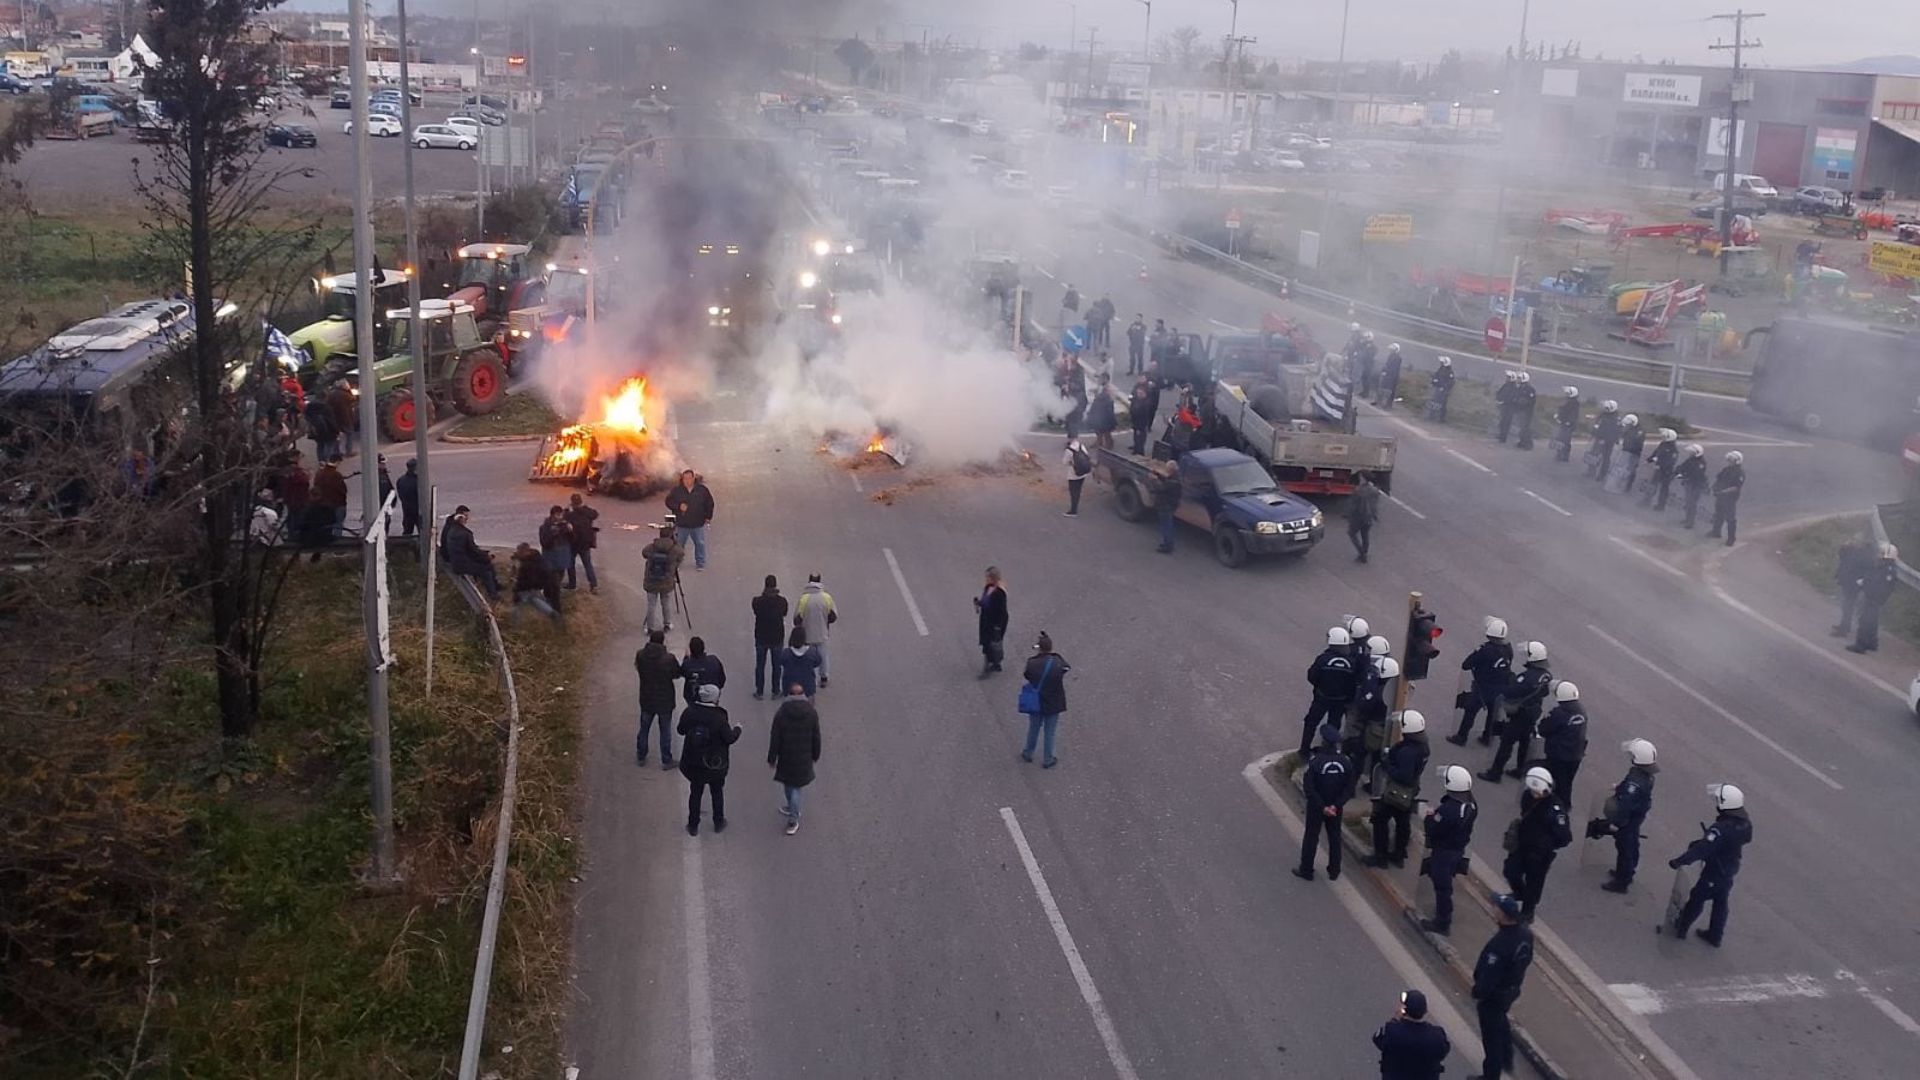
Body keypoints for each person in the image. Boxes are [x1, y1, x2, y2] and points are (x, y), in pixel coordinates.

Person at [1666, 782, 1753, 947]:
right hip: (1730, 867)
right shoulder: (1745, 823)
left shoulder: (1721, 829)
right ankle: (1715, 935)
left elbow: (1703, 849)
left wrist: (1680, 861)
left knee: (1697, 898)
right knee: (1721, 901)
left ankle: (1681, 928)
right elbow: (1745, 839)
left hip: (1715, 870)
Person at [1472, 893, 1535, 1080]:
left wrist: (1479, 991)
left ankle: (1491, 1074)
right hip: (1512, 989)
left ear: (1503, 915)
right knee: (1500, 1019)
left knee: (1491, 1038)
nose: (1493, 908)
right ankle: (1507, 1056)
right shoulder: (1525, 934)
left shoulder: (1500, 945)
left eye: (1496, 907)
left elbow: (1490, 975)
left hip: (1495, 994)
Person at [1502, 767, 1573, 921]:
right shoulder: (1527, 796)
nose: (1535, 795)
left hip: (1540, 853)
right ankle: (1520, 892)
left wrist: (1546, 845)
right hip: (1523, 844)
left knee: (1534, 882)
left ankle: (1528, 911)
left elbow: (1564, 836)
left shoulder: (1555, 808)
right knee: (1510, 870)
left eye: (1538, 792)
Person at [1364, 710, 1431, 869]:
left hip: (1397, 792)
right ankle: (1399, 854)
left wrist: (1387, 764)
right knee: (1403, 822)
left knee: (1379, 819)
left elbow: (1403, 775)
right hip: (1411, 791)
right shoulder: (1423, 746)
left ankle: (1380, 857)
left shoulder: (1408, 751)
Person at [1419, 765, 1479, 936]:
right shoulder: (1471, 805)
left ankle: (1442, 922)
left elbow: (1433, 828)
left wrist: (1430, 816)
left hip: (1445, 850)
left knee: (1442, 885)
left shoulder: (1448, 810)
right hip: (1457, 848)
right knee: (1435, 871)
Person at [678, 683, 741, 836]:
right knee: (717, 792)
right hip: (714, 763)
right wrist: (738, 729)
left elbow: (680, 730)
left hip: (694, 762)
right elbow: (729, 738)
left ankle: (693, 825)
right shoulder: (719, 717)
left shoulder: (690, 712)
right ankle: (718, 822)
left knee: (695, 793)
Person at [1294, 724, 1355, 881]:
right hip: (1336, 808)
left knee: (1311, 837)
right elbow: (1349, 789)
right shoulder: (1346, 763)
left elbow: (1309, 787)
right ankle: (1334, 870)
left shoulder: (1316, 762)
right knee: (1334, 837)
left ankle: (1306, 870)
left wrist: (1322, 807)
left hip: (1317, 807)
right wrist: (1336, 805)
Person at [1596, 739, 1658, 893]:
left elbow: (1625, 804)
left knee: (1625, 848)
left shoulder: (1635, 782)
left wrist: (1616, 822)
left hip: (1628, 819)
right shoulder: (1645, 774)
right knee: (1631, 845)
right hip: (1636, 816)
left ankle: (1622, 882)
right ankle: (1626, 872)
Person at [1484, 640, 1550, 781]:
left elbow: (1511, 692)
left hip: (1520, 714)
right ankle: (1521, 769)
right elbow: (1545, 692)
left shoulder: (1527, 677)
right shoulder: (1545, 675)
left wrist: (1511, 681)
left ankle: (1495, 773)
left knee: (1506, 743)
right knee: (1525, 742)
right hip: (1533, 713)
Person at [1448, 617, 1512, 746]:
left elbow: (1466, 664)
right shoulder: (1508, 649)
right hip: (1501, 687)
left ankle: (1461, 737)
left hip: (1483, 687)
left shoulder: (1485, 650)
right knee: (1492, 714)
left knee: (1470, 711)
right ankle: (1487, 737)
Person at [768, 683, 822, 835]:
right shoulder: (811, 713)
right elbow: (816, 736)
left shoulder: (781, 713)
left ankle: (793, 817)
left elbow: (775, 738)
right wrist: (815, 754)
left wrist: (772, 758)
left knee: (789, 784)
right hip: (803, 756)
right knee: (796, 786)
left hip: (786, 755)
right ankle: (793, 809)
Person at [1301, 627, 1360, 755]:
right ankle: (1328, 752)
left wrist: (1321, 687)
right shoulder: (1351, 662)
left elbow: (1312, 676)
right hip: (1340, 701)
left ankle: (1304, 751)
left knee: (1311, 723)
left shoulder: (1323, 659)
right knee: (1334, 726)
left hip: (1322, 698)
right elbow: (1353, 684)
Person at [1371, 988, 1450, 1080]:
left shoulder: (1392, 1031)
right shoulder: (1437, 1036)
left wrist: (1395, 1019)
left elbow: (1377, 1039)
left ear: (1404, 1010)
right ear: (1425, 1011)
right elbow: (1443, 1051)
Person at [1019, 632, 1070, 767]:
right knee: (1050, 731)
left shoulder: (1032, 663)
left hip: (1036, 701)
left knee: (1034, 728)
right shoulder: (1058, 662)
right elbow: (1066, 667)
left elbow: (1027, 675)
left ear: (1039, 648)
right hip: (1054, 702)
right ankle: (1048, 759)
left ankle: (1028, 753)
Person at [634, 629, 682, 768]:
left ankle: (641, 754)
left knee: (644, 728)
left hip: (646, 697)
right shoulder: (668, 659)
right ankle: (666, 759)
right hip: (664, 700)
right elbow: (677, 674)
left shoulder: (641, 655)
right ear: (662, 642)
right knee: (665, 730)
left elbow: (638, 668)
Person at [1536, 680, 1589, 803]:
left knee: (1554, 780)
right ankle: (1565, 804)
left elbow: (1544, 729)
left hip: (1559, 754)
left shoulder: (1559, 713)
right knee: (1567, 783)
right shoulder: (1581, 710)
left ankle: (1552, 806)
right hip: (1576, 753)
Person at [1847, 543, 1901, 653]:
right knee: (1872, 621)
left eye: (1881, 553)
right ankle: (1872, 643)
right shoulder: (1885, 567)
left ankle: (1860, 645)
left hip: (1874, 598)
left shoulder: (1886, 569)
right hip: (1875, 598)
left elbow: (1878, 585)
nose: (1879, 554)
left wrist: (1865, 586)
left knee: (1865, 621)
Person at [440, 505, 500, 598]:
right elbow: (472, 551)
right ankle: (493, 594)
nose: (467, 519)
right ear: (461, 518)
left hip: (455, 557)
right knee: (486, 568)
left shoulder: (450, 527)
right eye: (466, 517)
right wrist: (485, 556)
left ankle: (494, 586)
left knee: (484, 562)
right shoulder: (464, 533)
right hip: (458, 561)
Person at [664, 469, 715, 569]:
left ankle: (700, 562)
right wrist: (678, 506)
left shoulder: (702, 490)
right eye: (685, 479)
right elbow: (668, 502)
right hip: (682, 524)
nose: (687, 481)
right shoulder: (677, 491)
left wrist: (708, 517)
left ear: (693, 478)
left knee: (700, 543)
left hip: (697, 523)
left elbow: (709, 503)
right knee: (679, 545)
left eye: (689, 478)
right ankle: (677, 562)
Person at [796, 573, 837, 687]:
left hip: (808, 634)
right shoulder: (826, 597)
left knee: (809, 657)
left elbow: (797, 618)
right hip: (822, 633)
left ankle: (810, 678)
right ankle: (824, 677)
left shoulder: (804, 598)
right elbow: (833, 616)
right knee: (823, 656)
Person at [640, 525, 684, 633]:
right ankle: (667, 624)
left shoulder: (652, 547)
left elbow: (644, 553)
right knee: (666, 603)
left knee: (651, 604)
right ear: (671, 536)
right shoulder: (674, 549)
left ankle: (650, 627)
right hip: (666, 580)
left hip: (651, 580)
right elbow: (681, 555)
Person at [751, 574, 789, 698]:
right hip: (777, 637)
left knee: (760, 665)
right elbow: (784, 613)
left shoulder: (757, 601)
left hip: (761, 636)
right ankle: (776, 690)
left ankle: (760, 691)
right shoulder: (782, 601)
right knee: (777, 665)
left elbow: (756, 611)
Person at [1831, 534, 1876, 638]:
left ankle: (1844, 628)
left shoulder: (1867, 554)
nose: (1855, 541)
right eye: (1854, 539)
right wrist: (1844, 546)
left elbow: (1869, 570)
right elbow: (1842, 556)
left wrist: (1861, 581)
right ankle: (1844, 625)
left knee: (1848, 605)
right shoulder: (1852, 550)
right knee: (1846, 605)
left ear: (1863, 542)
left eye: (1857, 540)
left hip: (1854, 584)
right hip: (1847, 581)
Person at [509, 542, 562, 624]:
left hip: (526, 587)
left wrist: (516, 591)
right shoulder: (537, 558)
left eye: (520, 552)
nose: (519, 554)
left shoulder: (527, 565)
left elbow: (522, 581)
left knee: (516, 605)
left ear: (525, 552)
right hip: (539, 586)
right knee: (535, 600)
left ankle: (515, 624)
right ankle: (552, 613)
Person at [975, 566, 1009, 677]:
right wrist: (979, 603)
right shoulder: (988, 587)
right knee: (992, 643)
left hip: (994, 623)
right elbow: (986, 602)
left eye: (988, 577)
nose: (986, 579)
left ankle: (988, 667)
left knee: (990, 644)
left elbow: (1002, 611)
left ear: (993, 578)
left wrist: (998, 626)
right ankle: (996, 663)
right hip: (986, 620)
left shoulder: (1000, 593)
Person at [1706, 450, 1744, 546]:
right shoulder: (1726, 469)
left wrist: (1723, 492)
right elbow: (1719, 479)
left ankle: (1731, 538)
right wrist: (1714, 488)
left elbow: (1736, 487)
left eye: (1731, 460)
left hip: (1730, 498)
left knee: (1730, 518)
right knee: (1718, 514)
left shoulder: (1739, 473)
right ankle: (1716, 532)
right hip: (1720, 496)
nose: (1729, 461)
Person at [564, 493, 600, 592]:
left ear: (572, 502)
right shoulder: (587, 512)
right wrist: (584, 508)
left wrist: (568, 509)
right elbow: (595, 514)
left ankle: (572, 584)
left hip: (573, 543)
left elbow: (563, 518)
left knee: (570, 564)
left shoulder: (570, 514)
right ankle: (593, 585)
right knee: (588, 564)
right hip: (586, 543)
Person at [777, 624, 821, 698]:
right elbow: (818, 661)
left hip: (789, 687)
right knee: (808, 708)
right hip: (808, 688)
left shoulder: (786, 653)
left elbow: (781, 661)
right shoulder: (812, 652)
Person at [680, 636, 726, 705]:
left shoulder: (687, 664)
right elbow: (722, 679)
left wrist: (686, 658)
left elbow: (682, 672)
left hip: (693, 698)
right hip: (712, 697)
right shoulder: (714, 660)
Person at [312, 455, 349, 540]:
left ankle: (326, 540)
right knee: (338, 524)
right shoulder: (336, 474)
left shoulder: (320, 473)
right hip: (337, 503)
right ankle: (337, 542)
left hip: (323, 503)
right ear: (338, 462)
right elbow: (342, 490)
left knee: (326, 524)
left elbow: (316, 487)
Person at [1348, 473, 1381, 563]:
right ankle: (1365, 552)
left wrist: (1348, 515)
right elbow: (1375, 505)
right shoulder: (1374, 490)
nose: (1360, 479)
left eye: (1361, 477)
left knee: (1352, 533)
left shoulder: (1358, 490)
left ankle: (1362, 553)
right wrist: (1375, 515)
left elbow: (1353, 505)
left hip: (1359, 516)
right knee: (1365, 535)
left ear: (1364, 479)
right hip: (1369, 517)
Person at [1642, 429, 1680, 509]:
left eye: (1665, 436)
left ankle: (1661, 505)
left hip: (1666, 471)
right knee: (1653, 485)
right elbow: (1656, 453)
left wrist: (1660, 465)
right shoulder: (1663, 444)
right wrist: (1649, 460)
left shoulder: (1673, 449)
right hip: (1658, 469)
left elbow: (1670, 461)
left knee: (1664, 488)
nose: (1663, 437)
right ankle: (1646, 501)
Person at [1149, 460, 1180, 554]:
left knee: (1166, 526)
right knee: (1167, 525)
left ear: (1170, 470)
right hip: (1170, 505)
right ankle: (1167, 543)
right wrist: (1157, 475)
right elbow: (1166, 480)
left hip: (1166, 506)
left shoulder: (1173, 482)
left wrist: (1154, 479)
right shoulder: (1176, 478)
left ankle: (1167, 546)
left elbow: (1161, 488)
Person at [1675, 442, 1709, 528]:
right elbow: (1682, 466)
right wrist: (1678, 471)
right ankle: (1687, 518)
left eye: (1692, 452)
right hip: (1689, 483)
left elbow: (1696, 474)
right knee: (1687, 502)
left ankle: (1690, 522)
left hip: (1696, 485)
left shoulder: (1701, 463)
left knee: (1692, 503)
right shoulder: (1690, 460)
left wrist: (1684, 475)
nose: (1690, 453)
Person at [1608, 415, 1644, 494]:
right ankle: (1617, 484)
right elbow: (1622, 435)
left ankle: (1628, 486)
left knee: (1630, 469)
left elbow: (1636, 441)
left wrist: (1628, 445)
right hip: (1626, 450)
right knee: (1621, 467)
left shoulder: (1639, 431)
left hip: (1634, 453)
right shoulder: (1630, 428)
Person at [1587, 401, 1621, 481]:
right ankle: (1591, 471)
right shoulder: (1603, 414)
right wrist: (1593, 434)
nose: (1606, 409)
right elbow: (1598, 424)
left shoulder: (1615, 419)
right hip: (1599, 438)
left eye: (1607, 408)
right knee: (1593, 454)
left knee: (1606, 458)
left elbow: (1612, 432)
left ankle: (1602, 475)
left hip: (1608, 441)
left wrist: (1604, 440)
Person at [538, 504, 573, 580]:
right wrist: (553, 534)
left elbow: (572, 540)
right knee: (550, 577)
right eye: (557, 515)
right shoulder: (545, 527)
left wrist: (570, 531)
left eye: (561, 515)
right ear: (552, 515)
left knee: (560, 576)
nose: (560, 517)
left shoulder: (564, 525)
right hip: (551, 557)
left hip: (562, 557)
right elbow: (544, 543)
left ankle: (557, 588)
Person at [1062, 437, 1093, 516]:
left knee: (1073, 492)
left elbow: (1064, 462)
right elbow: (1087, 456)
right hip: (1083, 473)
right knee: (1078, 491)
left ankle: (1073, 511)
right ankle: (1075, 507)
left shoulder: (1069, 450)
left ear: (1069, 438)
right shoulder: (1081, 446)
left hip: (1073, 474)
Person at [1087, 376, 1118, 452]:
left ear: (1107, 379)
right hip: (1098, 410)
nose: (1100, 380)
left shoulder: (1110, 388)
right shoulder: (1100, 387)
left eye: (1102, 379)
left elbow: (1110, 399)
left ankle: (1109, 444)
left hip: (1106, 412)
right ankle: (1099, 441)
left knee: (1106, 431)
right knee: (1097, 429)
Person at [1128, 375, 1156, 456]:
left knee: (1141, 436)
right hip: (1135, 420)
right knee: (1136, 435)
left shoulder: (1146, 403)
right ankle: (1136, 447)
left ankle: (1140, 450)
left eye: (1140, 393)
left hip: (1141, 423)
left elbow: (1144, 414)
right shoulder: (1137, 397)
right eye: (1138, 393)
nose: (1138, 394)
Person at [1551, 388, 1580, 462]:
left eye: (1568, 394)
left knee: (1566, 441)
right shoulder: (1567, 401)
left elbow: (1573, 414)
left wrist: (1569, 422)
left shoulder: (1575, 403)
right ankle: (1559, 453)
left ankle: (1565, 456)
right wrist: (1558, 415)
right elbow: (1562, 409)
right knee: (1560, 438)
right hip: (1563, 422)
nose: (1566, 395)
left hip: (1568, 425)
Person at [394, 457, 420, 537]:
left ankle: (405, 547)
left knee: (407, 532)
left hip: (407, 510)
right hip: (418, 510)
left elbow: (401, 495)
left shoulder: (401, 480)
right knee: (423, 532)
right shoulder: (418, 481)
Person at [1511, 371, 1538, 449]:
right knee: (1521, 427)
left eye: (1519, 378)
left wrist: (1522, 402)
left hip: (1527, 412)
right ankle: (1522, 441)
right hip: (1520, 411)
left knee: (1526, 428)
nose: (1518, 379)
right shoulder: (1519, 388)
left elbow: (1531, 401)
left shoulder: (1530, 389)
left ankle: (1528, 443)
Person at [1493, 371, 1520, 443]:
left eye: (1508, 377)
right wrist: (1498, 398)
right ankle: (1501, 435)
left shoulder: (1513, 388)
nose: (1507, 378)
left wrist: (1503, 401)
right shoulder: (1506, 385)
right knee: (1502, 422)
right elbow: (1500, 392)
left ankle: (1503, 438)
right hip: (1504, 407)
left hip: (1509, 408)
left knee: (1506, 423)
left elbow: (1512, 398)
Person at [1374, 342, 1403, 409]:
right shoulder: (1391, 356)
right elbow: (1387, 365)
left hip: (1392, 377)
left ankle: (1388, 405)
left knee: (1389, 391)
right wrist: (1384, 371)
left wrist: (1388, 373)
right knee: (1383, 388)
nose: (1390, 351)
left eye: (1392, 350)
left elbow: (1394, 369)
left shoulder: (1398, 358)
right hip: (1388, 375)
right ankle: (1380, 402)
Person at [1426, 357, 1455, 423]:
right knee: (1434, 402)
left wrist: (1444, 388)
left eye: (1442, 362)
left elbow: (1450, 382)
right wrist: (1433, 382)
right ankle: (1431, 416)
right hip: (1437, 389)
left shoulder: (1449, 372)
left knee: (1442, 405)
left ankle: (1441, 419)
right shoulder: (1441, 369)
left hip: (1443, 391)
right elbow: (1436, 376)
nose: (1441, 363)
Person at [376, 455, 395, 534]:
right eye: (382, 463)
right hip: (382, 507)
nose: (384, 465)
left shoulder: (383, 474)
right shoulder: (380, 477)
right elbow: (384, 492)